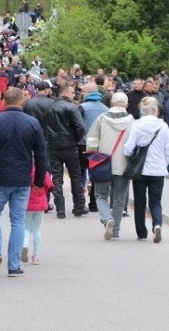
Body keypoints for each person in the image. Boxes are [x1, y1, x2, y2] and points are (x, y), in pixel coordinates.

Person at [0, 87, 48, 277]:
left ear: (4, 100)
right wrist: (39, 179)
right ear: (21, 101)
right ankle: (14, 265)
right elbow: (41, 153)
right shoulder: (32, 123)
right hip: (22, 179)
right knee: (18, 220)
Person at [123, 97, 169, 243]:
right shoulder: (163, 127)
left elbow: (128, 149)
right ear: (155, 110)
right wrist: (164, 163)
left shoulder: (137, 126)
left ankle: (141, 233)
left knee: (139, 202)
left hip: (140, 170)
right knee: (156, 201)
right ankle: (157, 224)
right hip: (158, 170)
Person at [86, 92, 133, 240]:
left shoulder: (102, 119)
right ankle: (116, 231)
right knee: (119, 198)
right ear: (126, 104)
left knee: (100, 195)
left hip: (102, 163)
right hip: (124, 165)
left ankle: (107, 219)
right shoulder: (132, 121)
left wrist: (92, 156)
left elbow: (92, 140)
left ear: (112, 103)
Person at [43, 84, 87, 218]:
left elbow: (46, 126)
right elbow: (81, 128)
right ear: (65, 93)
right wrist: (75, 139)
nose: (74, 94)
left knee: (56, 178)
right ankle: (79, 206)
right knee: (76, 176)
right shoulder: (72, 107)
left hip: (54, 146)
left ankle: (60, 209)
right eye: (72, 92)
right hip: (70, 146)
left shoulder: (48, 108)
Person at [78, 83, 108, 212]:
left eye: (83, 90)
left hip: (82, 144)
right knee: (95, 173)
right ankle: (94, 203)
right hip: (99, 145)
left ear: (89, 92)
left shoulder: (82, 107)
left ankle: (80, 201)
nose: (81, 92)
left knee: (80, 173)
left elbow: (77, 125)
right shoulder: (106, 109)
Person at [22, 167, 53, 265]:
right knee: (37, 229)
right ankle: (36, 257)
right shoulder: (43, 171)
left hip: (28, 203)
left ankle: (25, 244)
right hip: (40, 204)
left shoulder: (25, 171)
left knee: (26, 228)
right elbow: (50, 186)